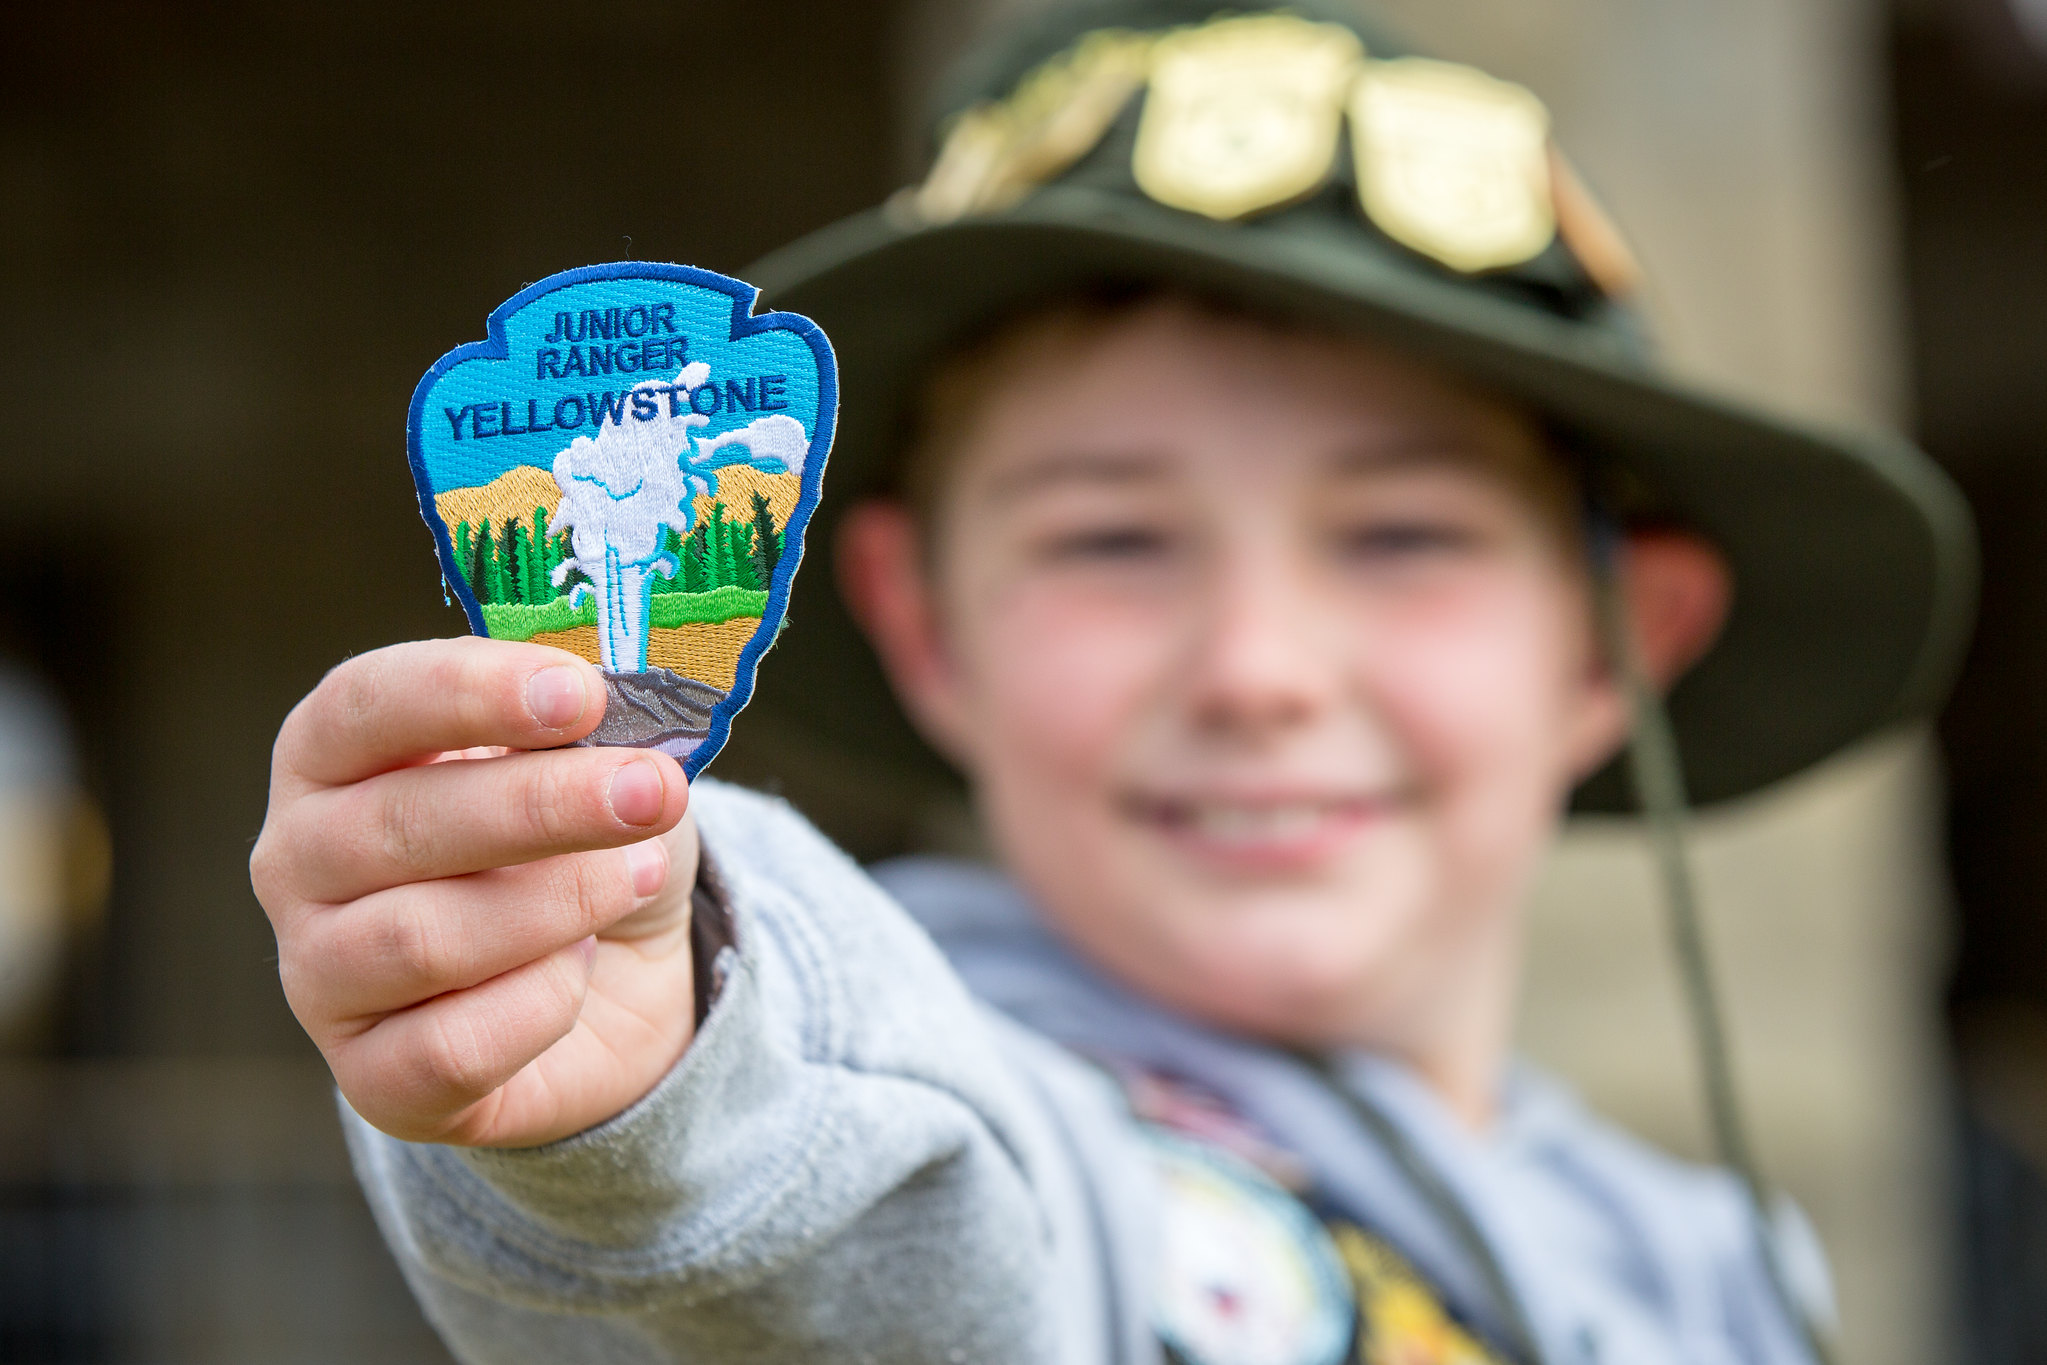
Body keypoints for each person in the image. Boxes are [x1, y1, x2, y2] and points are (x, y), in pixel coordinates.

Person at [249, 3, 1975, 1362]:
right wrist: (659, 1064)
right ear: (925, 626)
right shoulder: (1013, 1164)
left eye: (1400, 538)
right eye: (1112, 543)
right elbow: (876, 1235)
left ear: (1620, 640)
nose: (1257, 670)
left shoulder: (1709, 1267)